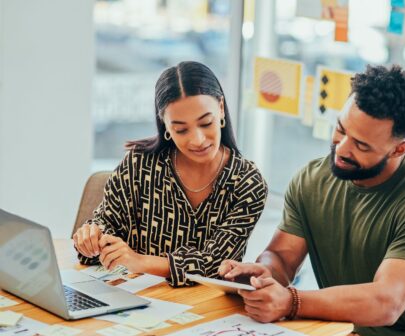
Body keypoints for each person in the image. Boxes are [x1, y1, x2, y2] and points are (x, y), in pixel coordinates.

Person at [220, 65, 405, 336]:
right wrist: (262, 275)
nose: (343, 148)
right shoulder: (311, 179)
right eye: (340, 129)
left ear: (400, 149)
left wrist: (290, 301)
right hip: (325, 330)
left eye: (361, 145)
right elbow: (282, 256)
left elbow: (385, 303)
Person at [73, 61, 268, 287]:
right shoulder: (139, 164)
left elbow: (215, 265)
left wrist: (139, 261)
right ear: (164, 125)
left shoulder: (247, 182)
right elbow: (107, 225)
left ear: (221, 108)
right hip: (135, 299)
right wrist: (92, 239)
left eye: (206, 123)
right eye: (181, 129)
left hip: (206, 311)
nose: (198, 139)